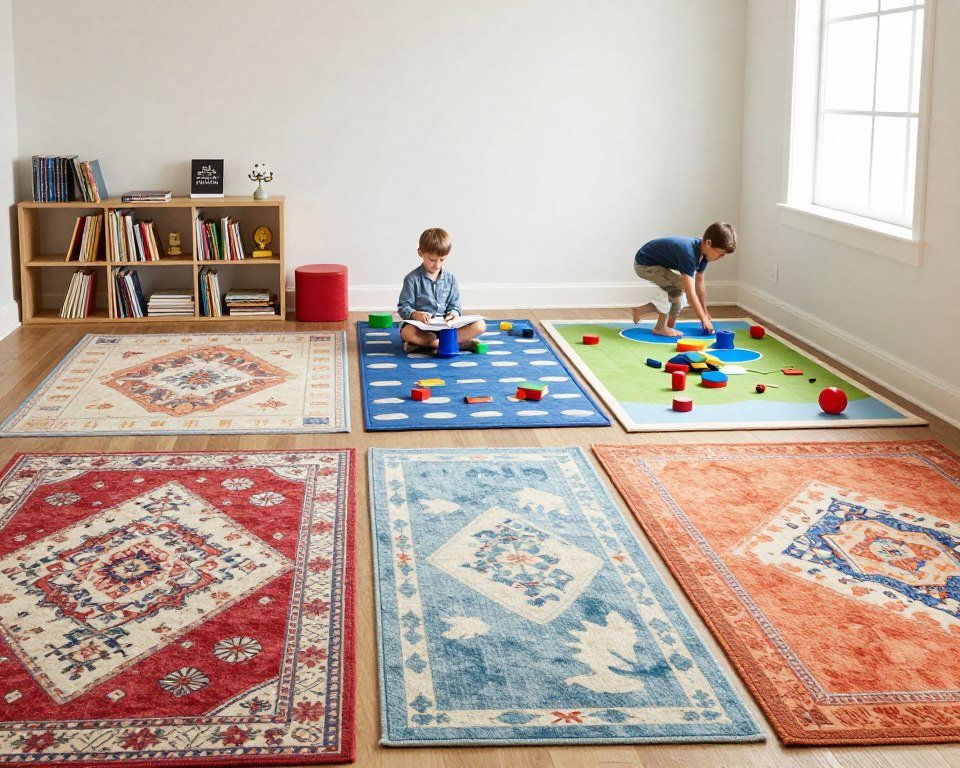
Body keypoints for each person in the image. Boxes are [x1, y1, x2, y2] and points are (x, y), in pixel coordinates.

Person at [630, 222, 737, 337]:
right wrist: (702, 318)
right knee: (673, 292)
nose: (721, 257)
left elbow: (699, 284)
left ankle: (655, 318)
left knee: (681, 289)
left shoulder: (704, 254)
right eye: (720, 253)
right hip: (644, 264)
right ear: (709, 243)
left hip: (657, 265)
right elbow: (692, 296)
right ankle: (660, 328)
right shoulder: (689, 254)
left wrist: (705, 313)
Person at [397, 228, 486, 353]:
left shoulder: (450, 279)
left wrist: (453, 313)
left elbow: (454, 303)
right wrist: (415, 314)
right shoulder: (412, 279)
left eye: (442, 259)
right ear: (420, 253)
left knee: (480, 325)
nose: (437, 265)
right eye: (432, 260)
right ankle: (448, 343)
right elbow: (403, 306)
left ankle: (428, 345)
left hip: (446, 326)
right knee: (406, 332)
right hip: (423, 328)